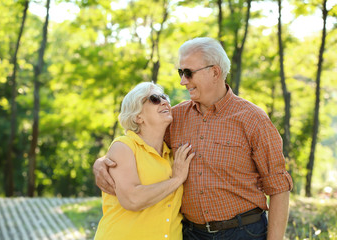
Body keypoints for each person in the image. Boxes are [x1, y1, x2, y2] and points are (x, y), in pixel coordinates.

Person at [93, 37, 293, 240]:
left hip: (242, 232)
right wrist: (102, 163)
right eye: (181, 73)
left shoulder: (253, 119)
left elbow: (278, 186)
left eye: (188, 73)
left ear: (215, 72)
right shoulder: (174, 118)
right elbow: (139, 143)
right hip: (191, 234)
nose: (182, 81)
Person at [94, 82, 195, 240]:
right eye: (154, 98)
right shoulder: (124, 146)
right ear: (137, 116)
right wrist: (176, 179)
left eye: (165, 97)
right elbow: (132, 199)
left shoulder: (171, 154)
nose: (164, 102)